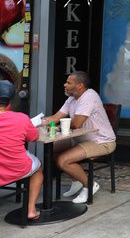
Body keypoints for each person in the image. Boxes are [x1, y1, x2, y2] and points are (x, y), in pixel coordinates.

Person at [42, 71, 116, 204]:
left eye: (68, 83)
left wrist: (57, 127)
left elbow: (76, 124)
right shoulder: (72, 98)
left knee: (63, 160)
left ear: (80, 85)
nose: (64, 85)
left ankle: (90, 185)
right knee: (51, 148)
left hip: (101, 141)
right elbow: (55, 117)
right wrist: (35, 123)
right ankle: (76, 180)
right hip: (80, 138)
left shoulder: (89, 97)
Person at [0, 80, 43, 221]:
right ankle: (31, 210)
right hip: (17, 168)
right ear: (10, 102)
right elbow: (34, 137)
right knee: (38, 168)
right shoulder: (22, 118)